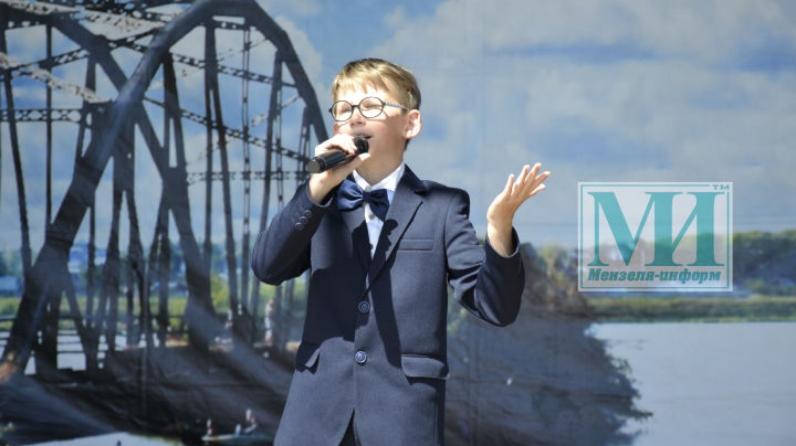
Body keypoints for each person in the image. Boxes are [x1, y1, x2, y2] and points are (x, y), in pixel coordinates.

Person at [250, 57, 550, 446]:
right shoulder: (318, 203)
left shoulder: (442, 207)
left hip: (402, 421)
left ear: (411, 124)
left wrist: (499, 229)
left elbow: (495, 306)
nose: (356, 117)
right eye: (344, 109)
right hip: (315, 420)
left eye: (371, 106)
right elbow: (267, 267)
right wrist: (315, 191)